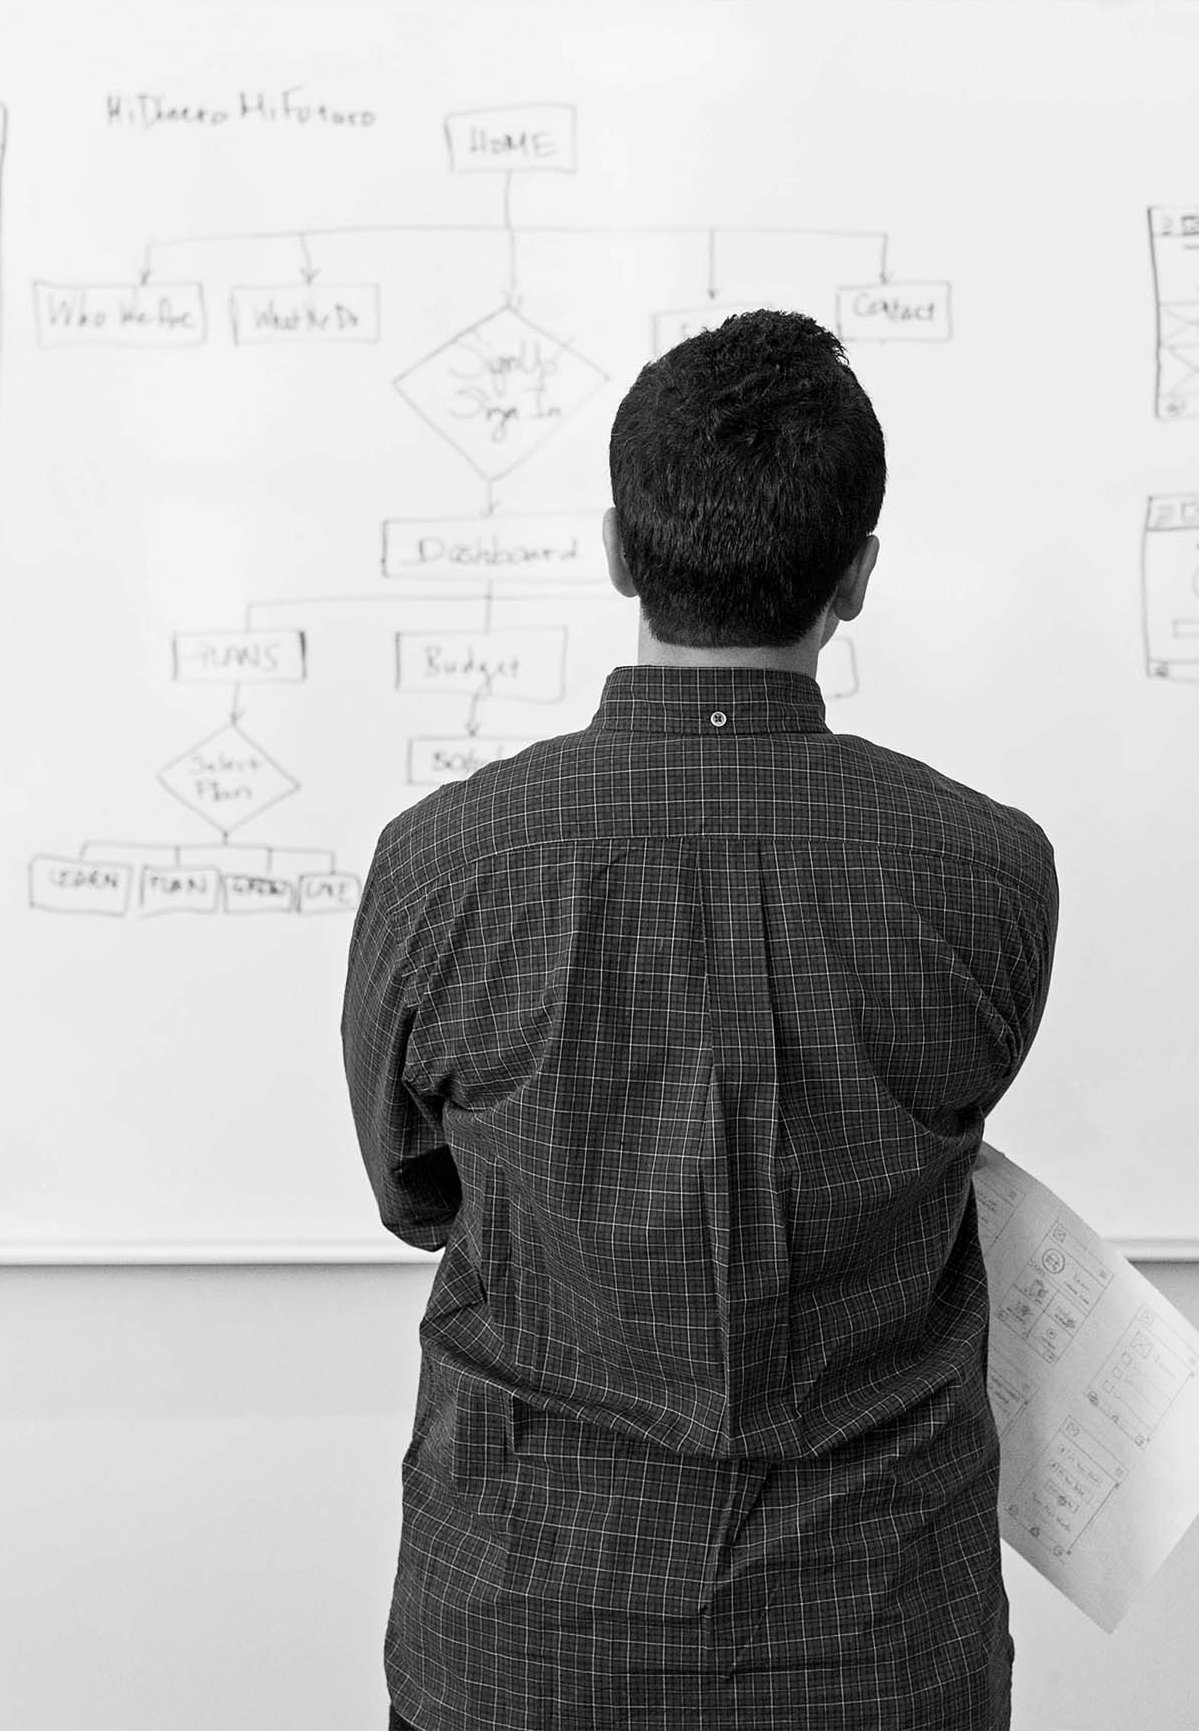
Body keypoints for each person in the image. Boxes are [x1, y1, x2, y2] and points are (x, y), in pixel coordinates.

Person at [342, 309, 1060, 1730]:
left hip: (525, 1632)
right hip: (877, 1640)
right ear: (855, 579)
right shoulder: (988, 869)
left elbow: (415, 1190)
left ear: (618, 547)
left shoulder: (445, 860)